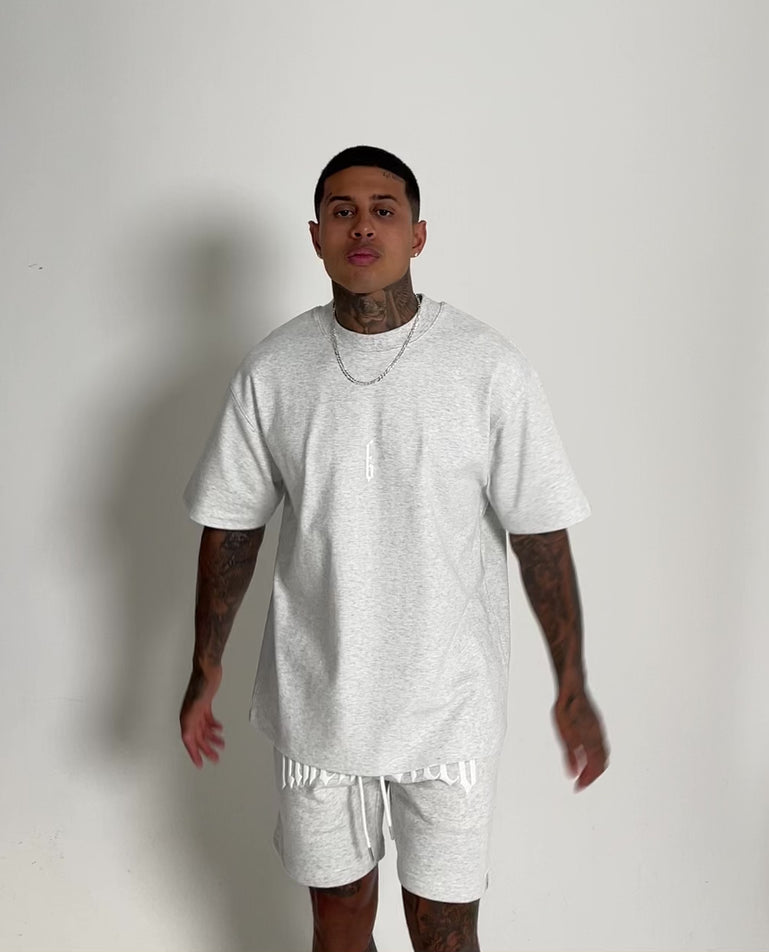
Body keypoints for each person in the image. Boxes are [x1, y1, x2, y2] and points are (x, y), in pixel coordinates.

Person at [179, 144, 609, 952]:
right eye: (341, 211)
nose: (363, 227)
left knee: (443, 932)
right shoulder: (274, 370)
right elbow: (233, 525)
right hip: (318, 704)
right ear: (315, 235)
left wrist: (572, 684)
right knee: (338, 924)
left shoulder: (486, 367)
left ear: (418, 233)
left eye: (384, 210)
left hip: (448, 711)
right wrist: (205, 666)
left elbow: (540, 536)